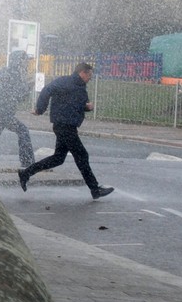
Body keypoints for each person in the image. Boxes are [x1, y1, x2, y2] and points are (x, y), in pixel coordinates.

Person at [19, 61, 114, 200]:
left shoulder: (80, 86)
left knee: (58, 158)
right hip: (64, 126)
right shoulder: (65, 82)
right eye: (89, 76)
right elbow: (47, 90)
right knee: (82, 155)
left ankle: (26, 173)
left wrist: (87, 107)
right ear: (82, 73)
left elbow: (75, 104)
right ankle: (95, 189)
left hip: (67, 125)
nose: (90, 79)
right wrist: (40, 109)